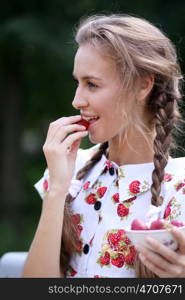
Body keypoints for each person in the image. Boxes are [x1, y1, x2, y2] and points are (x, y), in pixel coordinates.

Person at [22, 14, 185, 278]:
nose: (77, 100)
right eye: (78, 83)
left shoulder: (180, 185)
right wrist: (57, 190)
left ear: (143, 85)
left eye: (92, 85)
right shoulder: (70, 173)